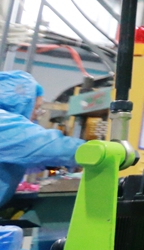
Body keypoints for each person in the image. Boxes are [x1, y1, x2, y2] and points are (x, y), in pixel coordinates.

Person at [0, 71, 84, 207]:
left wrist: (59, 169)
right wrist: (100, 151)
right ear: (18, 102)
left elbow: (31, 162)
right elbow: (52, 146)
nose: (36, 116)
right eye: (37, 108)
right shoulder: (4, 124)